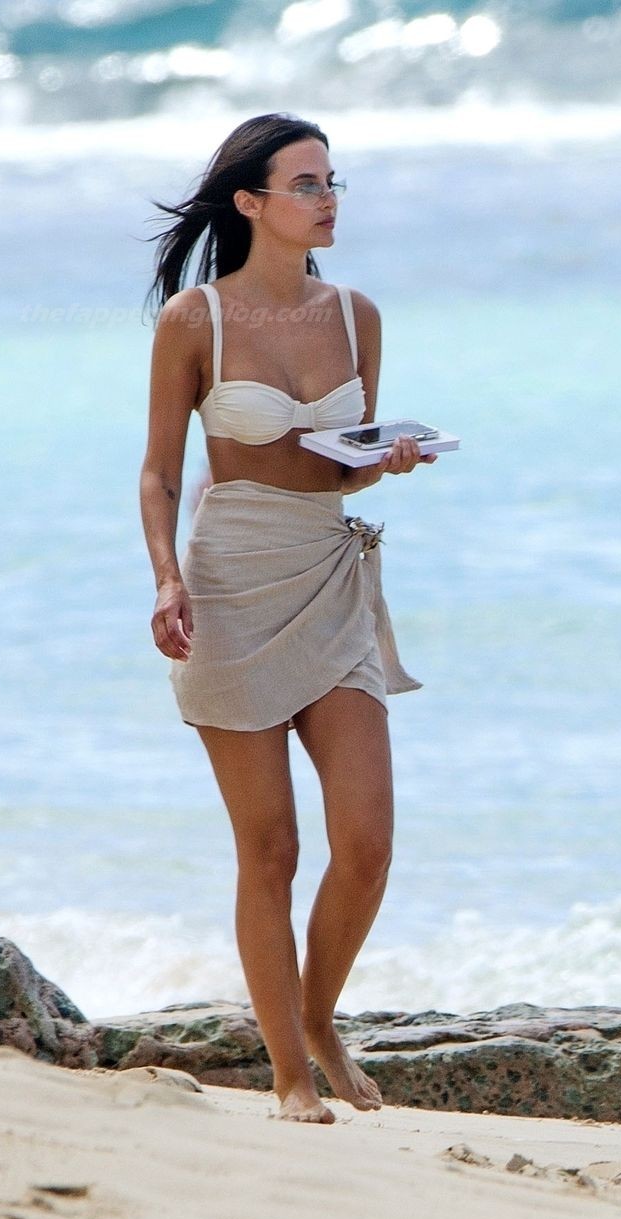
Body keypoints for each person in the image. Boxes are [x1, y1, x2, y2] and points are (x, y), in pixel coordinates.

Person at [138, 113, 434, 1123]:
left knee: (368, 840)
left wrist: (388, 458)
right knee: (269, 849)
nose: (328, 198)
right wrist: (167, 579)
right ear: (251, 203)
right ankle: (289, 1073)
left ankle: (319, 1017)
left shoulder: (357, 315)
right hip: (229, 583)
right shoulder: (195, 321)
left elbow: (340, 463)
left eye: (333, 181)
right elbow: (159, 473)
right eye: (306, 184)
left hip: (330, 571)